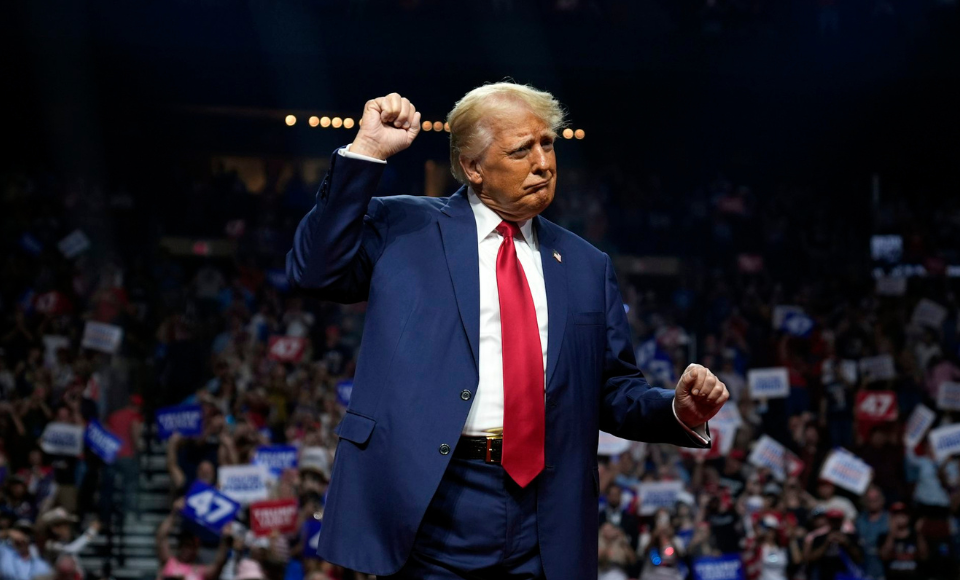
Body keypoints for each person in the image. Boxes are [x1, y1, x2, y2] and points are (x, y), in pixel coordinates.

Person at [286, 83, 730, 578]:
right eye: (522, 150)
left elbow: (610, 389)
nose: (543, 162)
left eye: (547, 143)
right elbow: (314, 271)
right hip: (429, 499)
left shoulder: (586, 264)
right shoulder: (403, 227)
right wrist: (365, 152)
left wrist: (675, 410)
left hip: (545, 512)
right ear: (474, 168)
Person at [877, 503, 927, 580]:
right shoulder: (884, 537)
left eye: (903, 514)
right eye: (896, 514)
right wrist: (892, 532)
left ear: (909, 516)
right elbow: (884, 556)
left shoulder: (915, 536)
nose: (900, 517)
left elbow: (924, 556)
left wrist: (919, 533)